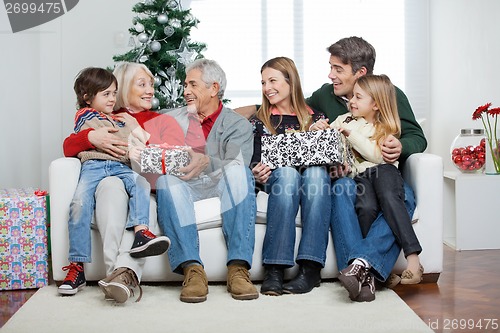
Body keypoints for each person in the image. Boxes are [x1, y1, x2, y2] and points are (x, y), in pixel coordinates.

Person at [236, 36, 427, 302]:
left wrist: (400, 145)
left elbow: (417, 137)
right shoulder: (326, 95)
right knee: (338, 187)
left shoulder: (387, 93)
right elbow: (287, 105)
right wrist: (226, 111)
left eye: (338, 69)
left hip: (381, 171)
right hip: (348, 176)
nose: (331, 75)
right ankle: (356, 271)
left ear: (360, 72)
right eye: (331, 67)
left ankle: (362, 267)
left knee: (403, 196)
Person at [61, 62, 185, 303]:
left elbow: (175, 162)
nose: (150, 90)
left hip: (147, 183)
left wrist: (142, 142)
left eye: (152, 84)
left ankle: (121, 273)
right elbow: (69, 145)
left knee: (136, 189)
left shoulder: (160, 122)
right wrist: (90, 137)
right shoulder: (105, 117)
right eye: (142, 84)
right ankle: (106, 273)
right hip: (106, 175)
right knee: (109, 190)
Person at [156, 58, 258, 303]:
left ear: (214, 88)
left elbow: (237, 162)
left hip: (221, 183)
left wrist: (206, 161)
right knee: (165, 181)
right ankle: (192, 270)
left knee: (240, 173)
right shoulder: (170, 118)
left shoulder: (237, 124)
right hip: (185, 184)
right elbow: (140, 128)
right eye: (184, 85)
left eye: (192, 84)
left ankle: (238, 269)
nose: (185, 91)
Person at [329, 74, 424, 303]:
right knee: (366, 207)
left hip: (384, 171)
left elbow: (377, 155)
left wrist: (350, 135)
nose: (352, 100)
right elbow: (330, 140)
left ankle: (413, 258)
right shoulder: (345, 118)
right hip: (361, 177)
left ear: (375, 104)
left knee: (392, 200)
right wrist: (320, 127)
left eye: (358, 97)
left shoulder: (384, 127)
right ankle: (371, 274)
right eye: (352, 96)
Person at [250, 57, 331, 296]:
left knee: (316, 174)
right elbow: (255, 161)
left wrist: (323, 137)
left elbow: (330, 160)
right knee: (287, 175)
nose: (267, 88)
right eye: (263, 82)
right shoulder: (260, 121)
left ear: (290, 81)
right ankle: (275, 268)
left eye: (272, 80)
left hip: (311, 181)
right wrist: (256, 172)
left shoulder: (316, 118)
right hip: (279, 182)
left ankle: (311, 268)